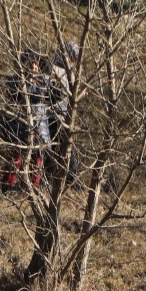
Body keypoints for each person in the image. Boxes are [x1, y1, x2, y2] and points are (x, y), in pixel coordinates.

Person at [0, 50, 51, 189]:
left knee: (37, 158)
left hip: (39, 126)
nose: (34, 69)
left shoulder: (43, 83)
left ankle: (34, 187)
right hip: (19, 126)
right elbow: (13, 97)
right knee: (16, 157)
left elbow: (50, 95)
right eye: (30, 66)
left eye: (36, 66)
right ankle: (6, 185)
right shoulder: (15, 83)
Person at [48, 40, 79, 186]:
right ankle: (67, 177)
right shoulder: (53, 69)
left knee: (65, 148)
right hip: (53, 115)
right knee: (58, 149)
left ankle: (70, 178)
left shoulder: (70, 72)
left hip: (64, 115)